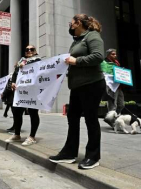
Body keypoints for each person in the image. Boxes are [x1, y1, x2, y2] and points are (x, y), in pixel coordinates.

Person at [49, 14, 105, 170]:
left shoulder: (92, 36)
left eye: (71, 23)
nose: (70, 25)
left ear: (78, 23)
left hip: (92, 84)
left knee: (90, 119)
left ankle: (93, 157)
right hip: (77, 86)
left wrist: (76, 61)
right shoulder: (77, 41)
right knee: (72, 118)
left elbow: (98, 56)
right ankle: (69, 152)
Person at [5, 45, 41, 146]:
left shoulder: (38, 60)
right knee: (16, 111)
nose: (29, 51)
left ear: (35, 51)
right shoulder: (21, 61)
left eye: (31, 49)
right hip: (20, 91)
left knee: (33, 112)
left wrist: (25, 65)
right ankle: (17, 134)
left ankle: (32, 137)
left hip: (32, 91)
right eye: (27, 49)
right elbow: (15, 73)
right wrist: (12, 82)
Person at [101, 49, 125, 122]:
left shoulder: (117, 62)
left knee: (121, 104)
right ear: (108, 55)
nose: (115, 55)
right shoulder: (104, 63)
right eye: (113, 54)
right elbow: (103, 74)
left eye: (115, 54)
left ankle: (113, 118)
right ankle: (112, 121)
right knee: (113, 105)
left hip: (118, 86)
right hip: (111, 86)